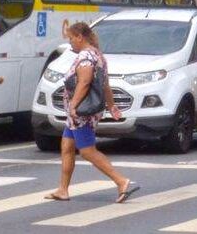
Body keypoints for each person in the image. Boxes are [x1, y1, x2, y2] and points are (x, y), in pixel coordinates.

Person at [45, 22, 140, 203]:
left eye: (72, 38)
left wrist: (73, 105)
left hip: (81, 112)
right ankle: (63, 189)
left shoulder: (86, 57)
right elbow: (104, 85)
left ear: (80, 37)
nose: (70, 42)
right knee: (67, 147)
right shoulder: (97, 55)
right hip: (80, 112)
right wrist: (111, 106)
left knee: (87, 151)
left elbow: (85, 82)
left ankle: (121, 181)